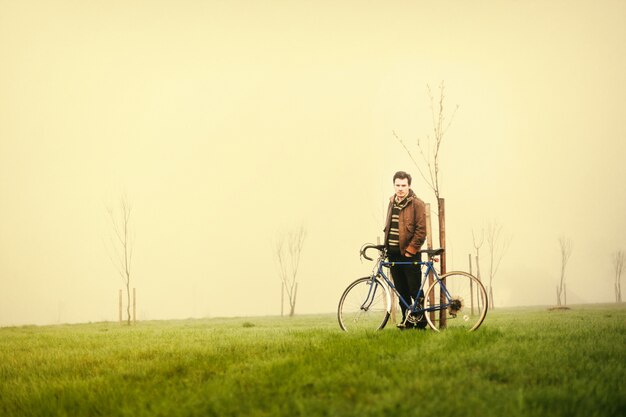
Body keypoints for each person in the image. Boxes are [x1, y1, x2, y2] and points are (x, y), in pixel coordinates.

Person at [383, 171, 427, 329]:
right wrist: (386, 247)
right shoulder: (391, 202)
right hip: (393, 254)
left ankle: (421, 322)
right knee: (400, 290)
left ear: (409, 186)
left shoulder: (417, 204)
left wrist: (411, 250)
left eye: (403, 185)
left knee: (414, 289)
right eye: (397, 185)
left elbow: (421, 231)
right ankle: (407, 320)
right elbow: (389, 227)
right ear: (393, 185)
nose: (400, 189)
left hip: (410, 254)